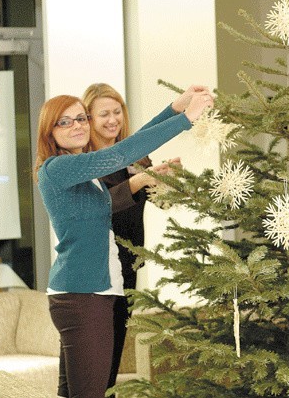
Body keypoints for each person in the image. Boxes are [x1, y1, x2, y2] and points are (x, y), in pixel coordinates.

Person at [34, 85, 213, 398]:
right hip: (83, 296)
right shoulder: (57, 168)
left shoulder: (85, 174)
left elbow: (129, 146)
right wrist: (185, 118)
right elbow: (121, 153)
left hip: (93, 293)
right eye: (65, 122)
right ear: (50, 132)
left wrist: (173, 109)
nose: (77, 125)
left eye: (80, 119)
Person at [81, 83, 180, 395]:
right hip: (96, 266)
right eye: (104, 114)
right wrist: (137, 182)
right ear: (89, 118)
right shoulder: (83, 161)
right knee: (93, 356)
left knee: (113, 352)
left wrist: (169, 179)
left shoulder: (136, 153)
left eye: (117, 112)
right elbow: (98, 208)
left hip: (129, 265)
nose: (113, 120)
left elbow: (164, 202)